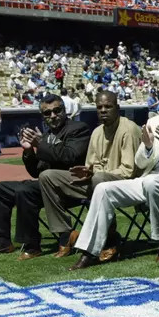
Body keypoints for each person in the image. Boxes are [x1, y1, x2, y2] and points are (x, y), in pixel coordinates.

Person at [69, 77, 159, 269]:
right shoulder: (156, 120)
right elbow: (140, 161)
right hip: (149, 178)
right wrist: (148, 147)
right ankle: (89, 251)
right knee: (102, 189)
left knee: (153, 183)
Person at [0, 94, 91, 258]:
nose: (53, 116)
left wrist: (41, 144)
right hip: (44, 184)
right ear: (43, 117)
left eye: (57, 110)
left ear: (64, 110)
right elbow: (36, 171)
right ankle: (3, 242)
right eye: (47, 113)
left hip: (69, 186)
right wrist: (28, 151)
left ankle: (32, 245)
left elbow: (70, 156)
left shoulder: (78, 128)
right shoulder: (46, 136)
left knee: (25, 190)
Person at [38, 90, 141, 258]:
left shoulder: (128, 129)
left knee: (99, 179)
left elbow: (128, 171)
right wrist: (88, 172)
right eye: (99, 107)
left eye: (108, 106)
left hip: (126, 184)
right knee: (47, 176)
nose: (103, 110)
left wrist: (95, 174)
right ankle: (66, 235)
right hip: (97, 181)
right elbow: (91, 165)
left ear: (118, 108)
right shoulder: (97, 132)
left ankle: (110, 239)